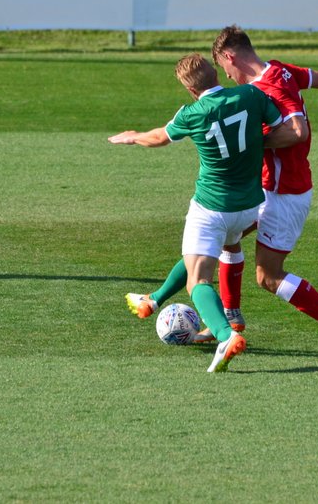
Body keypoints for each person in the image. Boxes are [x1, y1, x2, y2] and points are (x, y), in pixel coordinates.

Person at [127, 25, 318, 362]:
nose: (227, 76)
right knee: (221, 237)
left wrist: (246, 145)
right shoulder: (278, 70)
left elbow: (297, 131)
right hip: (262, 186)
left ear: (230, 56)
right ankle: (226, 316)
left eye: (225, 68)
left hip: (285, 191)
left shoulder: (272, 85)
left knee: (268, 276)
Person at [109, 52, 293, 372]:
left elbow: (159, 138)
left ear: (191, 91)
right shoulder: (250, 95)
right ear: (215, 74)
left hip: (212, 207)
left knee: (198, 280)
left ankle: (225, 335)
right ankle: (152, 299)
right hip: (250, 205)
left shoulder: (191, 113)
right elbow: (283, 129)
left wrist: (133, 137)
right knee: (214, 248)